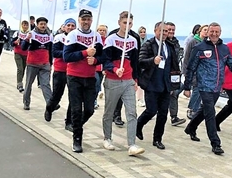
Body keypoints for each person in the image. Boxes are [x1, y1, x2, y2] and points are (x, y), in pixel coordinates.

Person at [183, 22, 232, 155]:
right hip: (204, 86)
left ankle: (191, 127)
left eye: (217, 32)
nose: (214, 34)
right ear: (207, 32)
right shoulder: (200, 48)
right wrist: (187, 86)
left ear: (220, 33)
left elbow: (231, 62)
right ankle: (215, 143)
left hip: (217, 87)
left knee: (204, 110)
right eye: (211, 31)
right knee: (210, 113)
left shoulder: (224, 48)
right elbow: (191, 67)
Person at [102, 11, 145, 156]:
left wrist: (136, 79)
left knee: (132, 112)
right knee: (109, 111)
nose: (127, 25)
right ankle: (107, 138)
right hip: (112, 80)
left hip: (128, 80)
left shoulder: (133, 40)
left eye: (130, 23)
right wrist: (114, 69)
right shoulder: (111, 39)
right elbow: (105, 60)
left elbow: (135, 62)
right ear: (119, 23)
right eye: (125, 22)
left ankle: (132, 144)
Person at [63, 9, 104, 153]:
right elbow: (66, 57)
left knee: (89, 109)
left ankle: (76, 126)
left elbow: (103, 56)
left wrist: (96, 59)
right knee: (75, 108)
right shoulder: (73, 35)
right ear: (79, 20)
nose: (86, 22)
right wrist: (85, 53)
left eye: (88, 19)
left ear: (92, 20)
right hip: (74, 77)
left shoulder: (96, 36)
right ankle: (77, 140)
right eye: (83, 19)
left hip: (90, 77)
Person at [136, 22, 180, 151]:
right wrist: (152, 61)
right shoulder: (149, 44)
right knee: (151, 110)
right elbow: (141, 62)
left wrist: (174, 84)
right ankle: (138, 125)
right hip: (152, 83)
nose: (164, 34)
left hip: (165, 84)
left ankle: (157, 139)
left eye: (166, 31)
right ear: (155, 30)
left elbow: (174, 65)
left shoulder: (169, 46)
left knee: (163, 114)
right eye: (162, 31)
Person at [44, 18, 76, 131]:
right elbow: (55, 52)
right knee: (57, 94)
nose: (71, 28)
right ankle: (49, 107)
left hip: (73, 71)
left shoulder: (77, 38)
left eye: (73, 26)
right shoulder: (59, 37)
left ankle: (69, 122)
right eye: (69, 25)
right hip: (60, 70)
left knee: (73, 98)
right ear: (64, 27)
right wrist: (68, 54)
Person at [21, 16, 53, 110]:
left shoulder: (49, 35)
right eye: (41, 24)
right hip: (32, 63)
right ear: (37, 25)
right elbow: (23, 47)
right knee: (29, 84)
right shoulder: (32, 34)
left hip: (45, 63)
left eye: (44, 24)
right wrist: (27, 39)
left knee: (45, 84)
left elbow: (51, 50)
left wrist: (50, 63)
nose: (43, 26)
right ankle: (26, 102)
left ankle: (50, 103)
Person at [183, 24, 208, 119]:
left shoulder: (207, 43)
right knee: (197, 89)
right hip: (193, 70)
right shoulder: (193, 41)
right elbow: (187, 56)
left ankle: (195, 109)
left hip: (204, 71)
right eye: (205, 30)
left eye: (207, 30)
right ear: (200, 31)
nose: (206, 32)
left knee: (200, 90)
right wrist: (185, 70)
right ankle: (191, 108)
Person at [166, 21, 186, 127]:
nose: (171, 31)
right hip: (164, 73)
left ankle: (174, 117)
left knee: (174, 92)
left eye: (173, 30)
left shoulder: (176, 42)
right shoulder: (162, 43)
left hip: (174, 72)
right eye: (169, 29)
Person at [12, 20, 30, 92]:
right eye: (23, 25)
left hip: (26, 54)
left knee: (23, 68)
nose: (25, 26)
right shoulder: (17, 33)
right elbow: (11, 43)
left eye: (26, 25)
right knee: (20, 69)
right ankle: (19, 84)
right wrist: (15, 42)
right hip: (18, 53)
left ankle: (20, 81)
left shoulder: (29, 34)